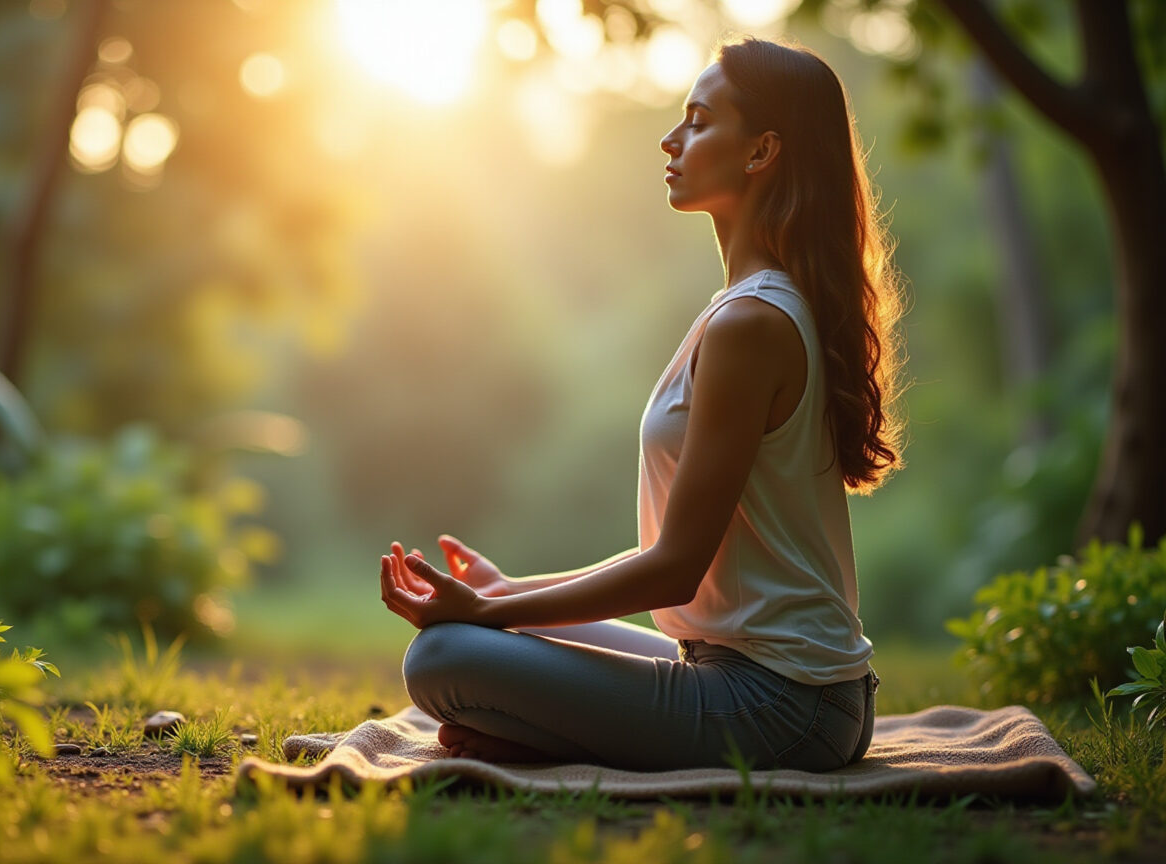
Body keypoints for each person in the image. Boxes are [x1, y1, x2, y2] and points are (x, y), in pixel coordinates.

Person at [376, 37, 905, 772]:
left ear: (761, 152)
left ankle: (548, 737)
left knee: (443, 656)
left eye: (698, 119)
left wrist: (488, 612)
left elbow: (674, 568)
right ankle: (550, 736)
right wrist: (508, 591)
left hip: (784, 708)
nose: (671, 137)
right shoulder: (751, 310)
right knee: (482, 641)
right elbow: (679, 560)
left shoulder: (752, 324)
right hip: (770, 686)